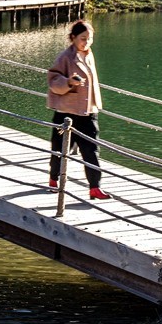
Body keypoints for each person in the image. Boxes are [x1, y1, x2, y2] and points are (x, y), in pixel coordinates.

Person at [46, 19, 110, 199]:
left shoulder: (89, 54)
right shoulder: (65, 57)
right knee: (59, 150)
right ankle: (53, 180)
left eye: (90, 39)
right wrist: (68, 82)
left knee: (92, 149)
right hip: (66, 113)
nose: (87, 42)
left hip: (88, 111)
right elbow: (52, 80)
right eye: (83, 38)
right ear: (73, 37)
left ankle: (95, 187)